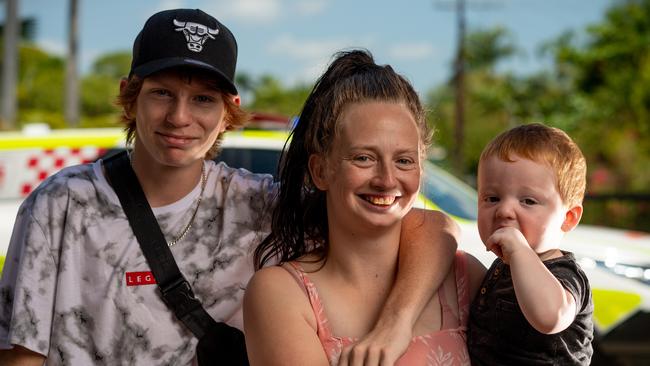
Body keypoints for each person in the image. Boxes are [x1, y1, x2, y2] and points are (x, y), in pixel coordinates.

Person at [0, 9, 459, 366]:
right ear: (129, 93)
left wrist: (396, 323)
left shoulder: (257, 202)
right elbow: (21, 351)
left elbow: (428, 226)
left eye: (202, 99)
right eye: (162, 92)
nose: (180, 117)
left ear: (229, 110)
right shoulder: (60, 203)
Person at [243, 49, 486, 366]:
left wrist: (397, 321)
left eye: (403, 161)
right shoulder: (282, 295)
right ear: (320, 171)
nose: (387, 180)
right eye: (363, 158)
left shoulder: (463, 276)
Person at [467, 123, 594, 365]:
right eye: (492, 198)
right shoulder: (501, 269)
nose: (504, 210)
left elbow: (550, 317)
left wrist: (519, 250)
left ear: (568, 218)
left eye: (528, 201)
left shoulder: (563, 274)